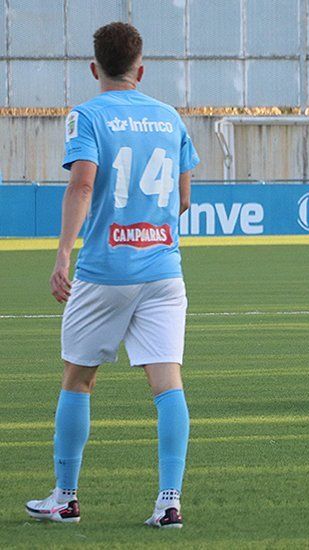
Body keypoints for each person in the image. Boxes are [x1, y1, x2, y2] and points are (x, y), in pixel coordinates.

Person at [25, 22, 199, 528]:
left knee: (79, 379)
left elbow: (82, 185)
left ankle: (65, 497)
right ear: (141, 69)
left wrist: (62, 254)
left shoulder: (87, 115)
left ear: (94, 67)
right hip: (164, 269)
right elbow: (184, 200)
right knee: (168, 384)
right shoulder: (170, 118)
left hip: (106, 270)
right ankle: (169, 500)